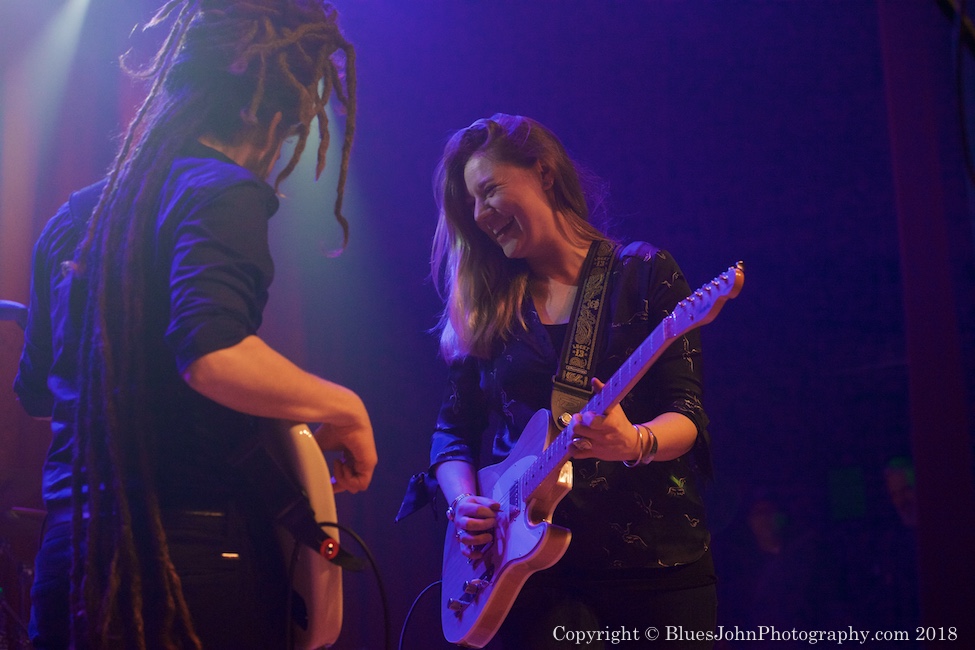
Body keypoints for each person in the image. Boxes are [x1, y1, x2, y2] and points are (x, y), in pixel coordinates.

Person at [13, 2, 377, 648]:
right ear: (269, 106)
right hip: (185, 553)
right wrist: (342, 403)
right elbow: (212, 354)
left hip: (69, 557)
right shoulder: (221, 191)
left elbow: (40, 392)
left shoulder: (74, 219)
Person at [422, 114, 716, 648]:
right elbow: (451, 433)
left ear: (544, 172)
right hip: (533, 579)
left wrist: (636, 442)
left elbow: (688, 413)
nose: (481, 215)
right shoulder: (488, 305)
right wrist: (464, 503)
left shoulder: (644, 275)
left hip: (654, 562)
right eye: (471, 204)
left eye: (489, 191)